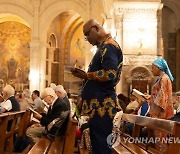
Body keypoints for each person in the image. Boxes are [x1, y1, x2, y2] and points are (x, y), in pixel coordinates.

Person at [71, 19, 123, 153]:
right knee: (97, 146)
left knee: (101, 147)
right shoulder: (103, 47)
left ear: (95, 28)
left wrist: (87, 76)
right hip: (98, 106)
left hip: (103, 106)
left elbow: (110, 73)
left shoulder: (109, 46)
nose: (86, 38)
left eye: (87, 34)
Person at [144, 58, 174, 153]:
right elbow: (158, 95)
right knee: (158, 139)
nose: (151, 70)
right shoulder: (161, 78)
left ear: (159, 67)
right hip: (159, 113)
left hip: (161, 114)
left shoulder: (164, 78)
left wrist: (154, 113)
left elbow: (162, 99)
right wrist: (150, 97)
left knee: (161, 139)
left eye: (153, 67)